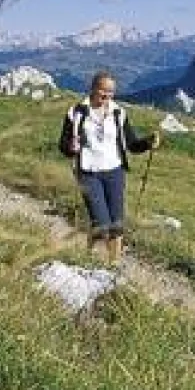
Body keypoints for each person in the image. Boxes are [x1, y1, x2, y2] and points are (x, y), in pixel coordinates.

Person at [59, 71, 161, 265]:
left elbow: (131, 145)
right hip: (88, 173)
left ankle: (113, 264)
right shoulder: (77, 112)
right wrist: (70, 147)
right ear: (93, 88)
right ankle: (93, 262)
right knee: (101, 223)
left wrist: (148, 142)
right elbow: (63, 145)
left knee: (116, 224)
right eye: (103, 91)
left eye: (111, 92)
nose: (107, 96)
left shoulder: (118, 113)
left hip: (115, 171)